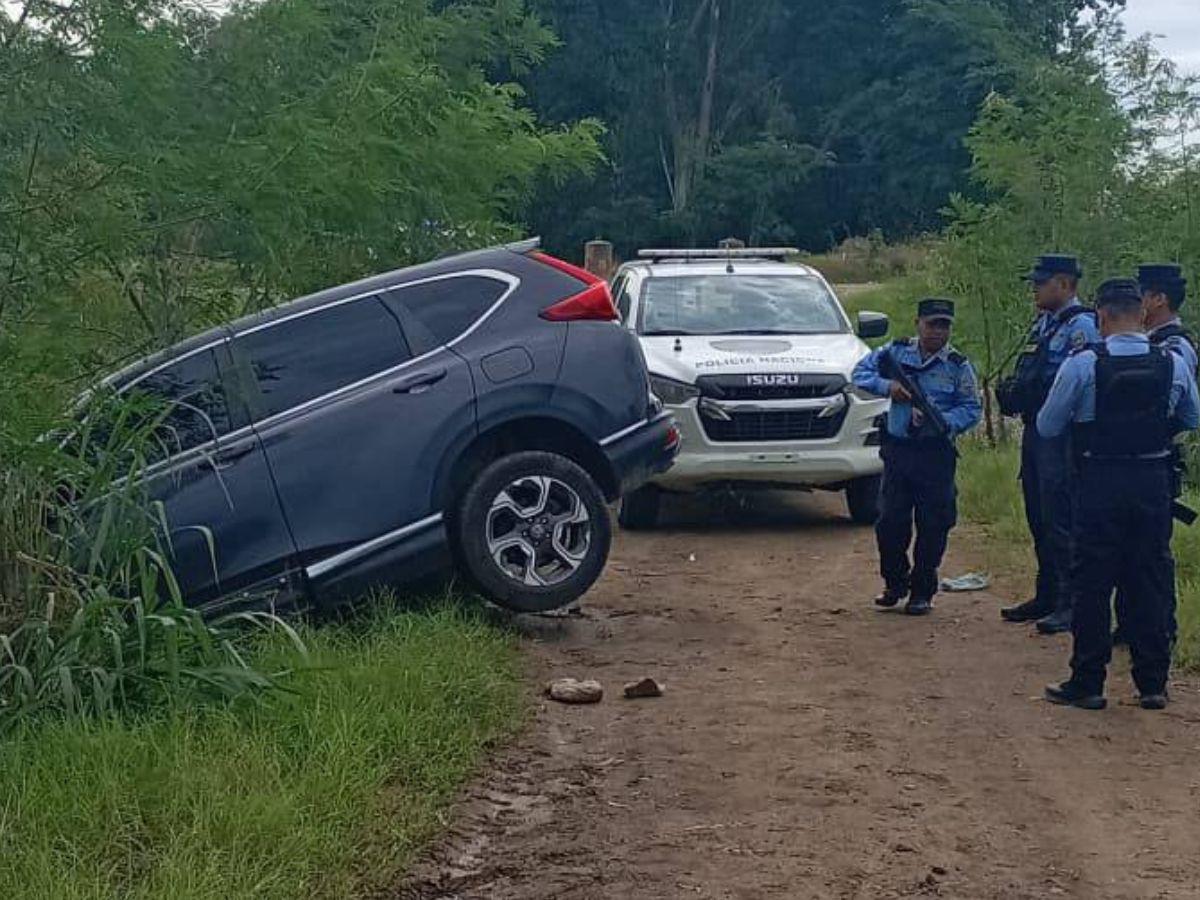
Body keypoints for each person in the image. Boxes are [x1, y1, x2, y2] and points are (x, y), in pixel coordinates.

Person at [1037, 278, 1199, 710]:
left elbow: (1047, 426)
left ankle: (1088, 682)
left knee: (1092, 581)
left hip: (1099, 481)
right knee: (1149, 578)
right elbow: (1193, 416)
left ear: (1101, 315)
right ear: (1141, 315)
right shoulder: (1172, 362)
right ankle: (1153, 684)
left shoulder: (1082, 363)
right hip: (1152, 481)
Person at [852, 298, 982, 616]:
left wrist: (944, 421)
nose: (938, 331)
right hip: (899, 450)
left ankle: (923, 590)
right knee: (890, 522)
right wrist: (889, 387)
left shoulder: (957, 365)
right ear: (917, 323)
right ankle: (895, 583)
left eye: (945, 325)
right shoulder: (894, 353)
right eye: (932, 324)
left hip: (935, 453)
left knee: (934, 524)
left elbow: (971, 408)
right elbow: (859, 373)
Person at [998, 254, 1100, 635]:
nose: (1035, 289)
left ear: (1064, 284)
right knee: (1039, 515)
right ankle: (1047, 593)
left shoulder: (1082, 327)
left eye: (1041, 283)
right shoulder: (1044, 323)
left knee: (1062, 519)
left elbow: (1078, 385)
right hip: (1037, 430)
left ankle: (1070, 602)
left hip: (1064, 435)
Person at [1113, 263, 1196, 647]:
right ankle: (1131, 626)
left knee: (1152, 557)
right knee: (1127, 554)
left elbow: (1188, 414)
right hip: (1133, 462)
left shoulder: (1175, 348)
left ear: (1158, 298)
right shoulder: (1151, 344)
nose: (1137, 303)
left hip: (1157, 461)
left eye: (1142, 295)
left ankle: (1162, 629)